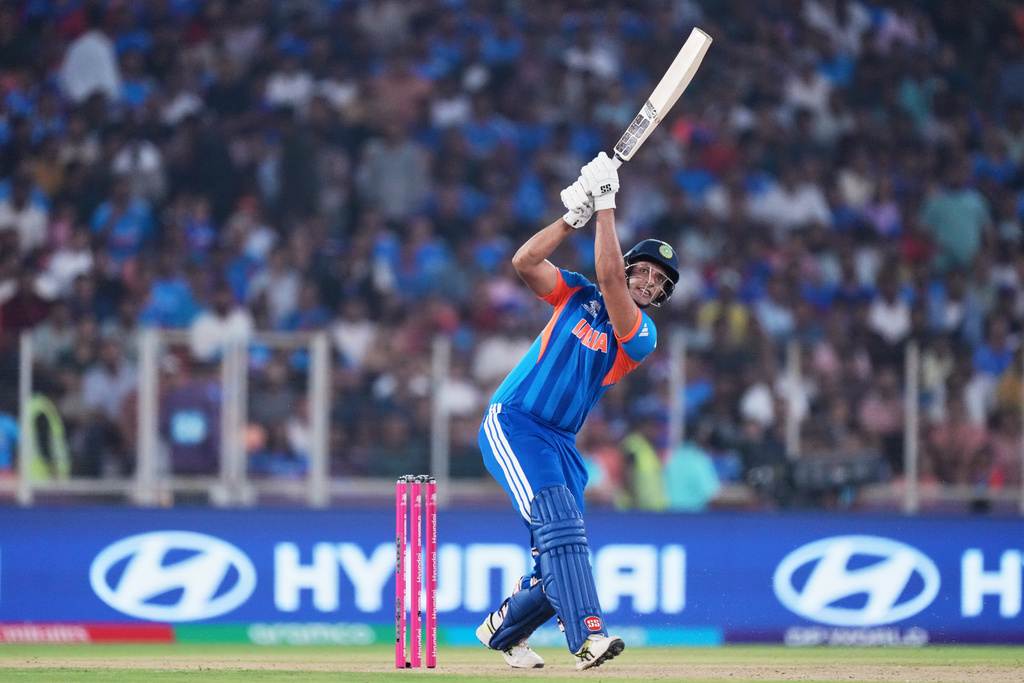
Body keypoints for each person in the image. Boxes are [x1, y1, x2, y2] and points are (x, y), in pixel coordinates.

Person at [474, 152, 680, 670]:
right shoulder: (576, 293)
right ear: (633, 265)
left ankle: (502, 630)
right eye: (646, 271)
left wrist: (607, 205)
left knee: (557, 556)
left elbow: (612, 282)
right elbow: (524, 262)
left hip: (560, 443)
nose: (649, 282)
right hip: (515, 422)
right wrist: (575, 216)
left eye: (660, 282)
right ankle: (589, 639)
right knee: (562, 532)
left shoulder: (642, 336)